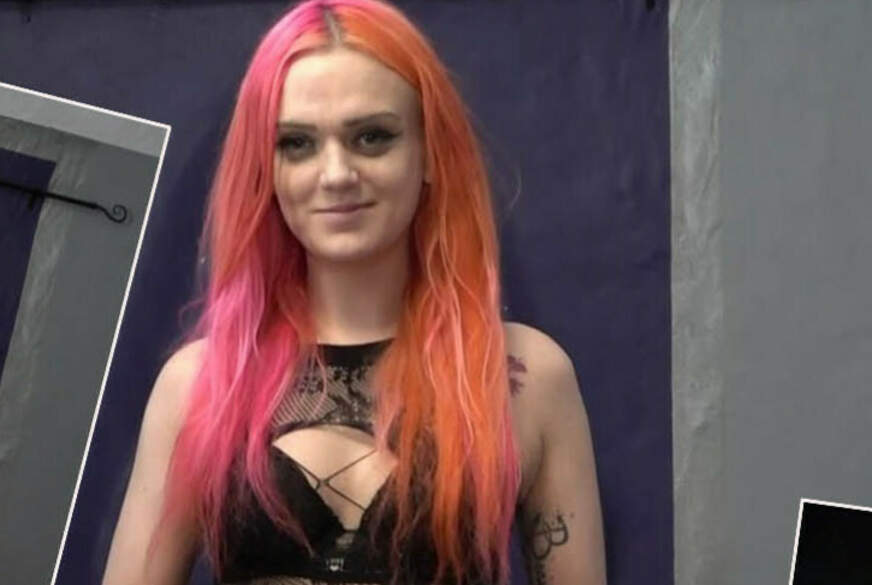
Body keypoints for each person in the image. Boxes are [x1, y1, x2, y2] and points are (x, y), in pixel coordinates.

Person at [101, 1, 605, 584]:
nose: (337, 174)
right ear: (265, 167)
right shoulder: (201, 384)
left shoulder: (525, 377)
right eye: (297, 143)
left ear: (430, 153)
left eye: (371, 137)